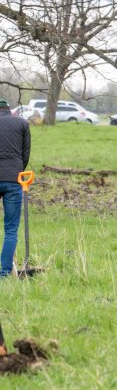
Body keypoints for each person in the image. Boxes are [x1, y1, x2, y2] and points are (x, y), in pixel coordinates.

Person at [0, 99, 31, 277]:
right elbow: (25, 154)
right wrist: (17, 172)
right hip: (14, 179)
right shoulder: (22, 123)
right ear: (8, 109)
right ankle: (3, 273)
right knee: (11, 229)